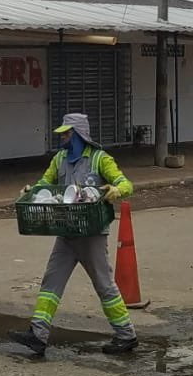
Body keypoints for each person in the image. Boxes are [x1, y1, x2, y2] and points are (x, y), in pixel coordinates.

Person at [9, 113, 137, 357]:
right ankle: (38, 334)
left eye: (66, 133)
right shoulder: (59, 160)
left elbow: (126, 184)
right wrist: (32, 191)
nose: (63, 137)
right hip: (66, 232)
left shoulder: (101, 159)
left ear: (78, 134)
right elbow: (45, 184)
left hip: (92, 234)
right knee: (51, 282)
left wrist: (115, 190)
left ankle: (126, 335)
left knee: (104, 285)